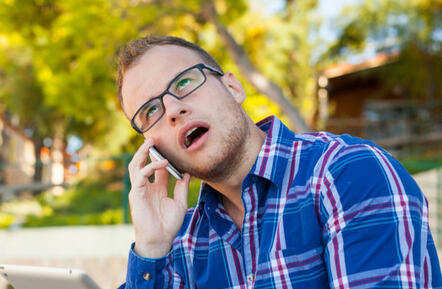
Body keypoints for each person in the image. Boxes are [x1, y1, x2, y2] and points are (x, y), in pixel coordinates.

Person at [116, 35, 441, 288]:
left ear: (232, 87)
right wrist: (152, 248)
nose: (172, 110)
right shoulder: (177, 244)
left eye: (184, 82)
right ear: (153, 148)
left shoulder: (348, 174)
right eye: (150, 111)